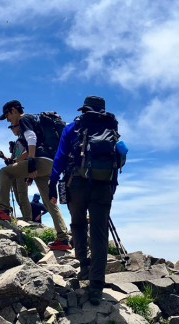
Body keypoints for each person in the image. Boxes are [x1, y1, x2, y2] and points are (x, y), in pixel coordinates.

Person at [48, 96, 124, 305]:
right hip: (103, 186)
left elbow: (60, 157)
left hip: (76, 184)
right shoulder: (112, 129)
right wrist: (111, 188)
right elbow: (117, 161)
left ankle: (83, 266)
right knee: (99, 234)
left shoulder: (73, 127)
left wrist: (52, 184)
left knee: (78, 224)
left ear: (84, 110)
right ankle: (97, 286)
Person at [0, 99, 72, 251]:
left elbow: (31, 138)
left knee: (5, 172)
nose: (7, 119)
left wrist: (32, 161)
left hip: (40, 160)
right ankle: (63, 238)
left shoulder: (24, 118)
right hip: (51, 163)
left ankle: (4, 209)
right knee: (49, 201)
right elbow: (27, 150)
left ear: (13, 110)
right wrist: (16, 162)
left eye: (7, 116)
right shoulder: (36, 120)